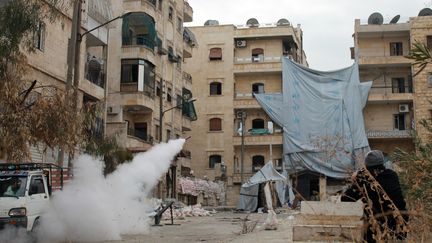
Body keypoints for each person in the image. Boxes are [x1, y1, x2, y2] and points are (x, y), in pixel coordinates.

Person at [341, 150, 408, 242]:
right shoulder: (392, 175)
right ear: (382, 162)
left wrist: (355, 180)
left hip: (376, 227)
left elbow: (345, 198)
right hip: (399, 222)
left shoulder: (364, 179)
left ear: (366, 165)